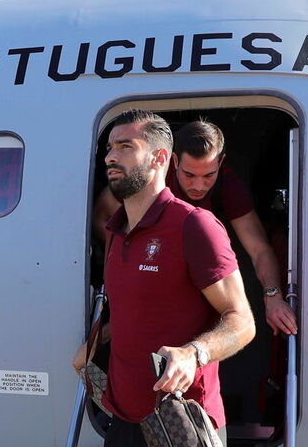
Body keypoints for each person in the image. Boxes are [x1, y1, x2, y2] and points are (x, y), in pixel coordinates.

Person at [74, 109, 256, 447]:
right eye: (109, 148)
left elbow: (242, 320)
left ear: (159, 159)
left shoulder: (195, 226)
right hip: (123, 429)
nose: (110, 157)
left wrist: (194, 353)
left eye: (125, 147)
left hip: (183, 431)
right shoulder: (116, 230)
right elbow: (138, 311)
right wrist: (93, 345)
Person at [92, 118, 297, 336]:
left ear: (221, 162)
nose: (198, 186)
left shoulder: (228, 186)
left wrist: (273, 297)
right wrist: (131, 263)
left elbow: (259, 249)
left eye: (208, 175)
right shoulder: (152, 176)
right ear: (174, 161)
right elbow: (101, 216)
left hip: (198, 266)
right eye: (189, 175)